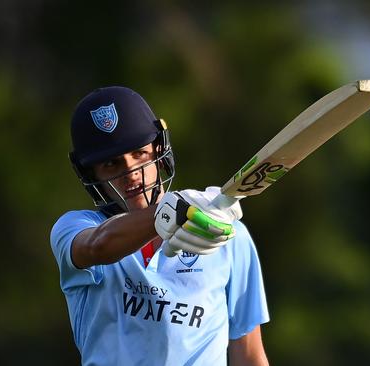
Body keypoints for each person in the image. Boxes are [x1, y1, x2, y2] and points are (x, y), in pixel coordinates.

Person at [50, 86, 269, 365]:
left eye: (139, 154)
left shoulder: (227, 235)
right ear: (91, 175)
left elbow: (249, 354)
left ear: (158, 151)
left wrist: (183, 211)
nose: (130, 174)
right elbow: (97, 246)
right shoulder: (74, 228)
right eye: (111, 163)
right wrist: (172, 213)